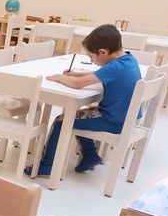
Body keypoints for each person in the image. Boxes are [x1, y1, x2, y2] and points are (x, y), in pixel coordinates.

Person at [25, 24, 142, 176]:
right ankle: (89, 155)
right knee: (78, 116)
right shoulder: (128, 59)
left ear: (103, 52)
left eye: (91, 56)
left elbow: (77, 85)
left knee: (61, 121)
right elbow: (101, 73)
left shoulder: (114, 68)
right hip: (125, 119)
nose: (91, 60)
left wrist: (59, 77)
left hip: (114, 121)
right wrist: (76, 74)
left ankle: (46, 165)